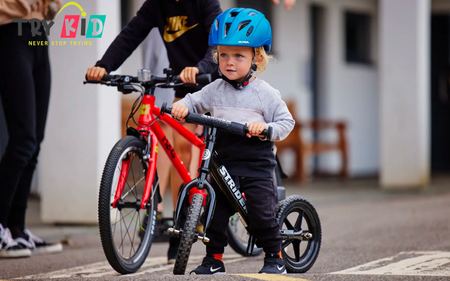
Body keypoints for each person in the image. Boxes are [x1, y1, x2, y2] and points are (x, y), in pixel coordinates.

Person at [86, 0, 223, 263]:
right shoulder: (157, 5)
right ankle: (180, 220)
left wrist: (203, 67)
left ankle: (192, 213)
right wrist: (104, 66)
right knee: (177, 153)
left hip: (212, 82)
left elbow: (217, 42)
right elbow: (131, 34)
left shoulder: (205, 2)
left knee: (189, 147)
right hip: (184, 86)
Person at [171, 8, 295, 274]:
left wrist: (265, 128)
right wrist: (183, 105)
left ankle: (275, 257)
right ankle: (214, 260)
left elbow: (287, 123)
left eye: (238, 55)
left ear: (257, 58)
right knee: (214, 216)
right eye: (223, 55)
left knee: (261, 216)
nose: (229, 61)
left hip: (256, 167)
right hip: (224, 165)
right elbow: (194, 100)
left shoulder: (265, 94)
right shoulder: (215, 89)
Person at [0, 0, 63, 258]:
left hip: (38, 33)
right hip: (9, 32)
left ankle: (17, 228)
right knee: (23, 139)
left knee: (35, 140)